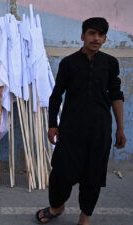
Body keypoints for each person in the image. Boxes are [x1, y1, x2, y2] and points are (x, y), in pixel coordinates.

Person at [35, 17, 126, 225]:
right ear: (82, 36)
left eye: (101, 35)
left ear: (105, 38)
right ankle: (56, 206)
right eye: (92, 33)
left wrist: (120, 128)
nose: (96, 38)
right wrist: (52, 124)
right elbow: (56, 95)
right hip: (71, 129)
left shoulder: (110, 63)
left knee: (93, 175)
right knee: (61, 172)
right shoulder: (69, 63)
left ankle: (85, 216)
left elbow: (116, 95)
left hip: (100, 130)